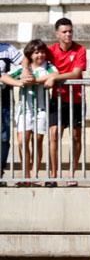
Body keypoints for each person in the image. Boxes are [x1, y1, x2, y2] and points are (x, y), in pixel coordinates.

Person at [2, 39, 55, 184]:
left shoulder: (48, 66)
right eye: (37, 52)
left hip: (41, 110)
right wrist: (19, 82)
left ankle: (35, 175)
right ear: (30, 55)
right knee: (22, 141)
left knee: (37, 142)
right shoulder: (24, 69)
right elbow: (4, 77)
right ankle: (26, 175)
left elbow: (55, 75)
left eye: (42, 52)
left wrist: (38, 80)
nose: (40, 55)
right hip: (25, 110)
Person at [46, 18, 86, 181]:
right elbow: (30, 56)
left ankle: (72, 173)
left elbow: (76, 73)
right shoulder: (50, 50)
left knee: (76, 136)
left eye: (70, 31)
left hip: (76, 99)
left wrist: (54, 78)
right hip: (57, 98)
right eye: (64, 31)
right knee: (54, 134)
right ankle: (54, 174)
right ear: (57, 34)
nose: (68, 34)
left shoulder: (80, 49)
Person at [0, 41, 23, 180]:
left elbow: (25, 64)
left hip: (4, 100)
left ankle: (0, 173)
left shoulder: (8, 48)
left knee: (3, 137)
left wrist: (13, 77)